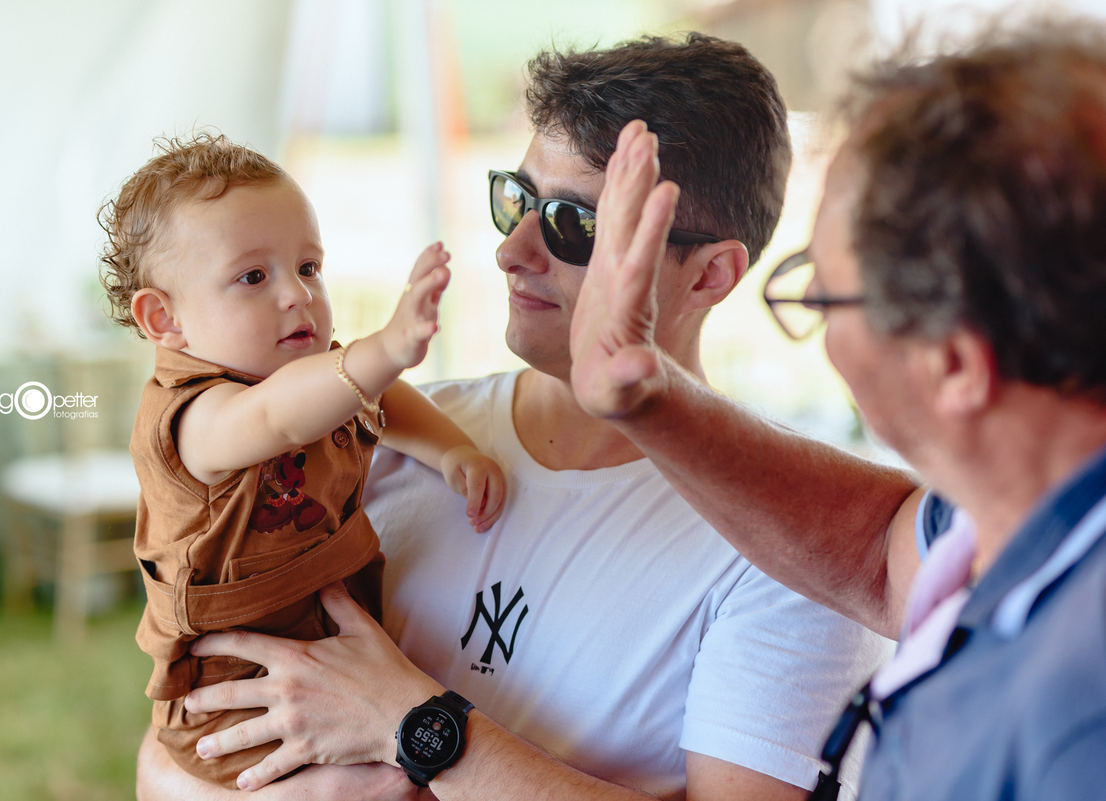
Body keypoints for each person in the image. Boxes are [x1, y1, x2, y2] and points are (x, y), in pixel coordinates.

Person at [135, 35, 891, 801]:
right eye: (515, 199)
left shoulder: (794, 544)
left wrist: (415, 723)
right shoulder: (389, 436)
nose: (513, 250)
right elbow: (165, 763)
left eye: (573, 224)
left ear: (710, 274)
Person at [567, 20, 1106, 801]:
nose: (817, 322)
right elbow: (882, 553)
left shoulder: (1078, 714)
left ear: (953, 362)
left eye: (825, 293)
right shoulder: (1015, 508)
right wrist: (648, 400)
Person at [99, 132, 505, 787]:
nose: (297, 295)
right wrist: (389, 344)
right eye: (253, 276)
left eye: (309, 267)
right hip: (231, 700)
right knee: (378, 784)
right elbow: (278, 415)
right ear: (164, 318)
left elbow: (368, 394)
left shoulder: (316, 374)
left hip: (326, 652)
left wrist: (450, 447)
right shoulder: (194, 419)